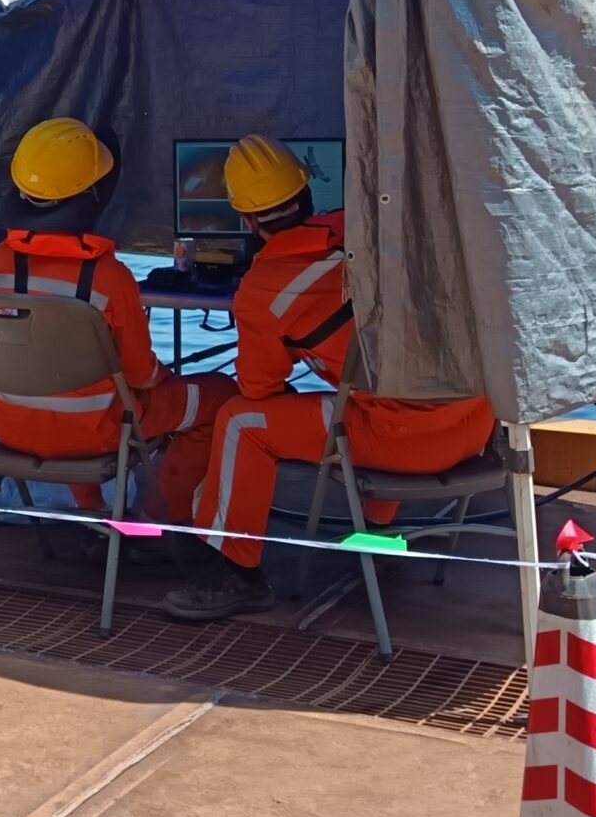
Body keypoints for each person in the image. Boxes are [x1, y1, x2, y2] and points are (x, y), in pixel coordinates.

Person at [159, 136, 495, 621]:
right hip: (476, 423)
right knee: (378, 391)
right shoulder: (375, 233)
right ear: (307, 192)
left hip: (402, 443)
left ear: (247, 220)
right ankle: (377, 538)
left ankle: (237, 572)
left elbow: (258, 390)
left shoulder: (263, 290)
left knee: (240, 420)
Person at [0, 118, 234, 519]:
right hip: (96, 433)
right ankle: (161, 523)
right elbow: (141, 376)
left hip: (8, 429)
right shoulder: (109, 279)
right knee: (221, 396)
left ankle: (92, 513)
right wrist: (167, 382)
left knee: (82, 392)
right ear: (94, 194)